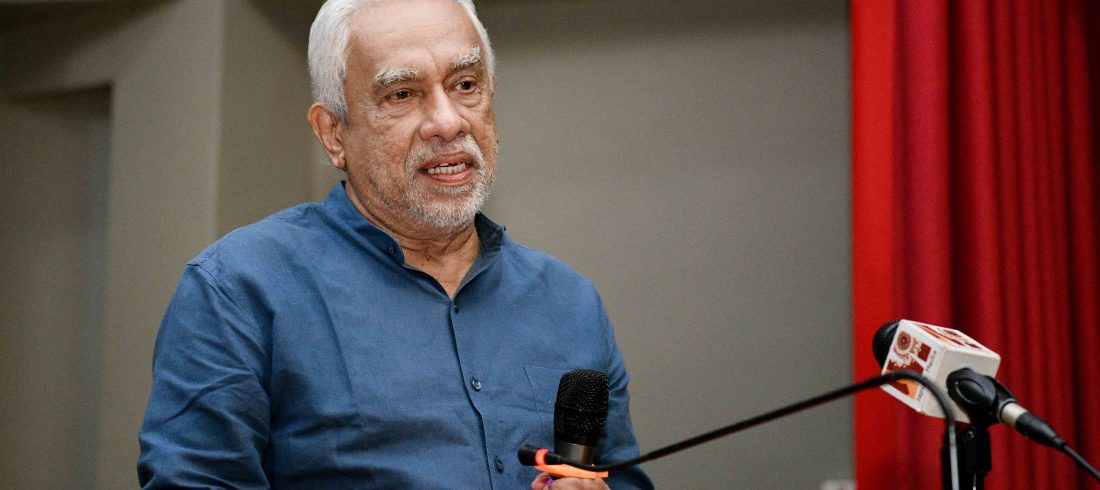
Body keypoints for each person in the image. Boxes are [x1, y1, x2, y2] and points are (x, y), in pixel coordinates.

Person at [137, 0, 653, 488]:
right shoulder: (238, 290)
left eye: (465, 85)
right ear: (332, 133)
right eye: (402, 94)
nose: (448, 122)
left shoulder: (570, 302)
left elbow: (621, 476)